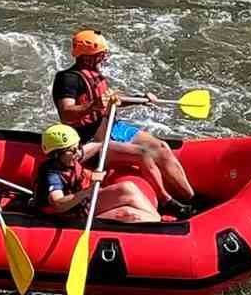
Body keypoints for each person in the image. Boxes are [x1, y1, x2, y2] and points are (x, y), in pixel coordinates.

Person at [52, 29, 195, 204]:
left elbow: (112, 101)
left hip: (113, 127)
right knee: (143, 154)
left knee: (162, 147)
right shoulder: (68, 79)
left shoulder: (95, 74)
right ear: (88, 56)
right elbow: (66, 113)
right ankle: (167, 201)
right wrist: (93, 105)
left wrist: (140, 99)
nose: (104, 57)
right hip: (92, 141)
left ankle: (191, 198)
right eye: (101, 54)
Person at [34, 124, 162, 222]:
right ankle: (160, 229)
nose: (77, 153)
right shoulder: (51, 174)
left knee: (127, 187)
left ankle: (157, 220)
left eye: (78, 147)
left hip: (83, 203)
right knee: (129, 214)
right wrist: (88, 190)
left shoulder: (70, 159)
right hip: (67, 216)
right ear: (56, 154)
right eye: (71, 150)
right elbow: (58, 204)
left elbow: (97, 145)